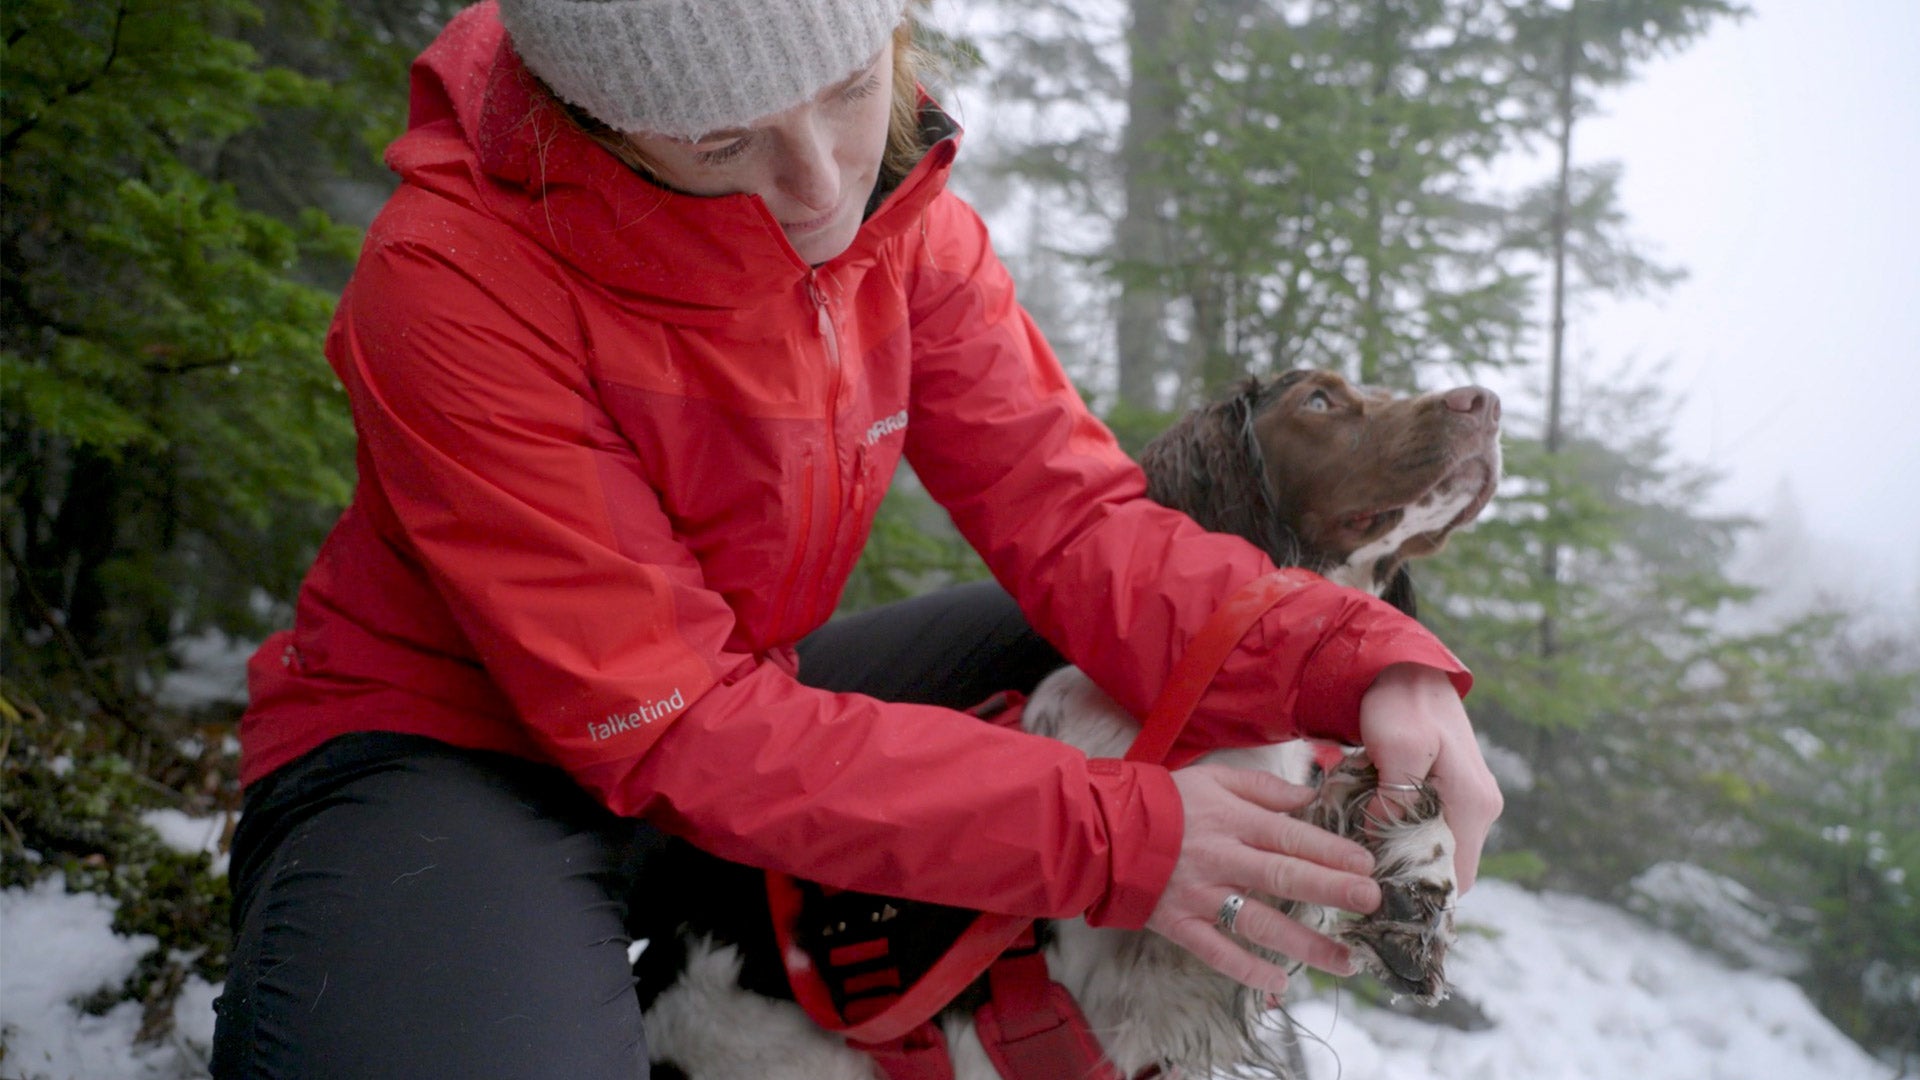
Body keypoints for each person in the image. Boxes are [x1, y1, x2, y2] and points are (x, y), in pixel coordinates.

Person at [209, 1, 1503, 1076]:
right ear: (593, 122)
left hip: (734, 696)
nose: (822, 185)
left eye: (844, 89)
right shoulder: (451, 279)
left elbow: (1078, 521)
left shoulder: (903, 219)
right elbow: (674, 725)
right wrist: (1120, 835)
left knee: (1084, 646)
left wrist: (1360, 658)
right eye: (723, 140)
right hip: (448, 754)